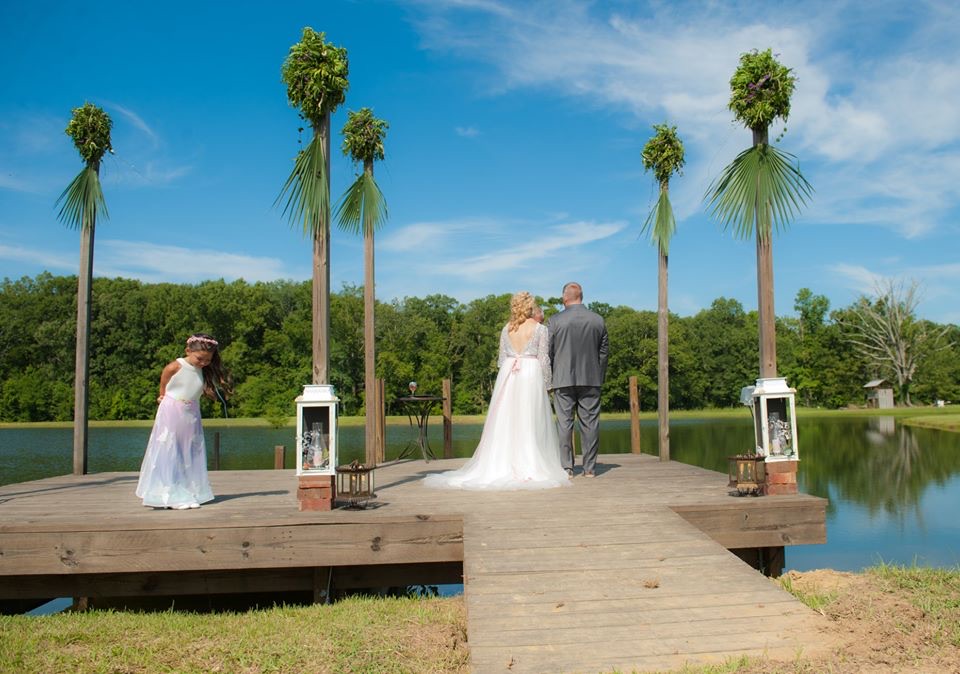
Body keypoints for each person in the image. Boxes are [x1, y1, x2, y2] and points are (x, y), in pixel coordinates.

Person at [424, 291, 569, 490]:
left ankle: (503, 461)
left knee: (507, 419)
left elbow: (502, 359)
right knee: (530, 419)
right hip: (530, 374)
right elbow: (544, 359)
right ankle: (530, 463)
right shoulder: (540, 329)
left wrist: (511, 371)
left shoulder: (506, 329)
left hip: (509, 374)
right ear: (529, 307)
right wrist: (547, 385)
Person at [136, 333, 231, 509]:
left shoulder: (202, 370)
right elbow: (165, 379)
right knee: (173, 449)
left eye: (207, 360)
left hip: (191, 414)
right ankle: (171, 494)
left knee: (190, 450)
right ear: (188, 351)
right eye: (200, 359)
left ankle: (189, 490)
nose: (203, 363)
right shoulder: (176, 366)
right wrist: (162, 395)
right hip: (173, 410)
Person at [549, 282, 608, 478]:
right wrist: (599, 376)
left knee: (564, 424)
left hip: (562, 378)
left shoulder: (555, 321)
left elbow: (549, 352)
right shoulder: (598, 320)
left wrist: (551, 376)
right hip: (591, 378)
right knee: (590, 423)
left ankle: (567, 468)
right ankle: (589, 468)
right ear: (581, 296)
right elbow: (603, 352)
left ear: (565, 297)